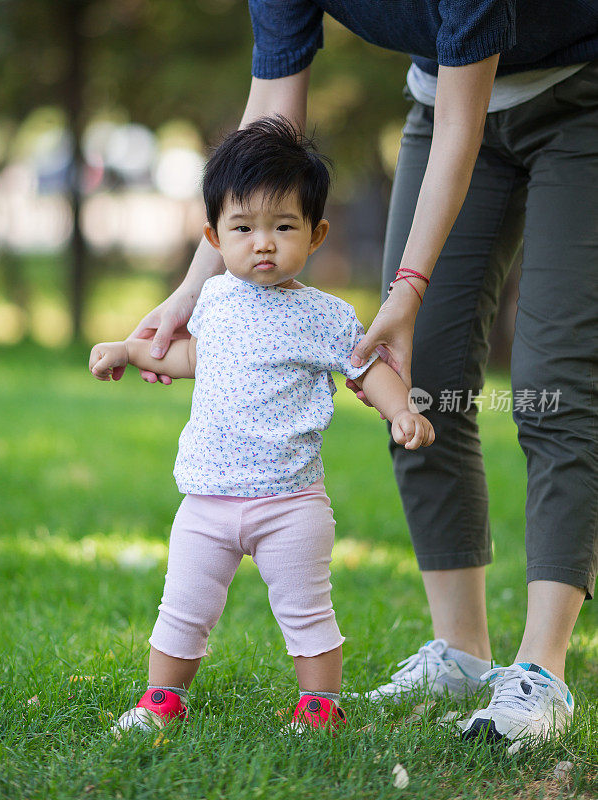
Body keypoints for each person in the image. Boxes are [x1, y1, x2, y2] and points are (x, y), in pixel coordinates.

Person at [123, 2, 597, 751]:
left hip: (579, 94)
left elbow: (462, 127)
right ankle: (463, 654)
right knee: (424, 378)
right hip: (439, 96)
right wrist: (190, 292)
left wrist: (405, 289)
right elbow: (271, 116)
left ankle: (541, 669)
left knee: (555, 384)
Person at [89, 117, 435, 734]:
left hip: (291, 501)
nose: (264, 243)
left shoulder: (325, 316)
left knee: (307, 611)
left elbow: (368, 367)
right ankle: (161, 701)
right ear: (215, 235)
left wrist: (401, 408)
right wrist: (128, 349)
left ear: (316, 233)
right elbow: (192, 358)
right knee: (183, 608)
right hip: (207, 500)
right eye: (244, 228)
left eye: (284, 227)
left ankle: (318, 707)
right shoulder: (214, 299)